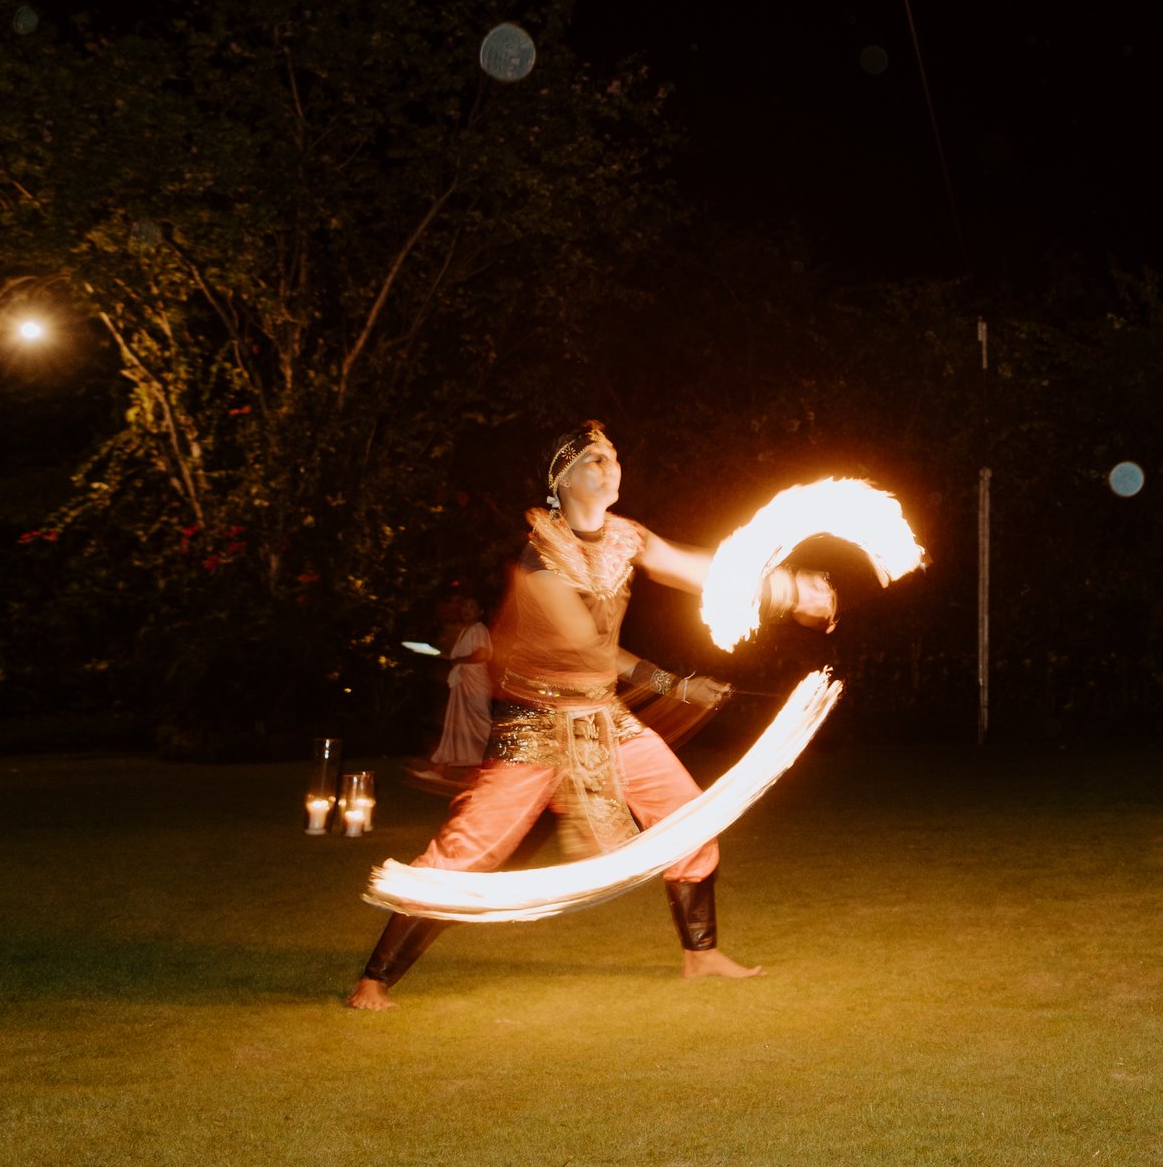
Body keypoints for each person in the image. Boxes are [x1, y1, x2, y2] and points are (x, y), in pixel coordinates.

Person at [347, 422, 836, 1010]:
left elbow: (698, 569)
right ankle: (373, 981)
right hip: (539, 725)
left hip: (605, 719)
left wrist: (785, 589)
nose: (611, 468)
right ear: (561, 478)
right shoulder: (538, 561)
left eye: (614, 457)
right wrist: (671, 685)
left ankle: (700, 954)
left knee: (690, 821)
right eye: (594, 460)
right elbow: (591, 649)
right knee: (465, 856)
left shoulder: (628, 537)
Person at [424, 590, 493, 778]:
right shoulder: (465, 630)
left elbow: (482, 654)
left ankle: (494, 767)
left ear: (480, 612)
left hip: (475, 685)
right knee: (456, 726)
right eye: (464, 606)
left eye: (472, 607)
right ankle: (440, 768)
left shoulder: (479, 628)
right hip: (463, 684)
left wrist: (458, 660)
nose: (466, 610)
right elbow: (458, 658)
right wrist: (445, 656)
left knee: (481, 726)